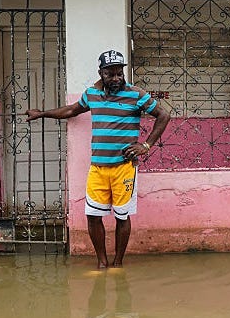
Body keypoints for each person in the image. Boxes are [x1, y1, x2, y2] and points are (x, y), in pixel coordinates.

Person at [26, 50, 170, 268]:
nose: (116, 78)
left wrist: (146, 145)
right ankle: (102, 263)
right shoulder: (92, 94)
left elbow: (163, 115)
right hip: (98, 168)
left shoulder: (136, 94)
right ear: (101, 73)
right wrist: (42, 114)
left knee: (122, 217)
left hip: (124, 168)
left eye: (119, 73)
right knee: (93, 216)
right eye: (110, 73)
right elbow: (72, 110)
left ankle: (118, 263)